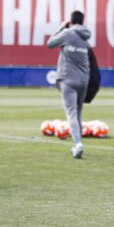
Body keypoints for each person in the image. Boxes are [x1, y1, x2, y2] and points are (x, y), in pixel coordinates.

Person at [46, 10, 92, 159]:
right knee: (77, 112)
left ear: (71, 21)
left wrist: (61, 27)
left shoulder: (68, 34)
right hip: (83, 80)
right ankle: (77, 142)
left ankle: (78, 144)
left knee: (71, 112)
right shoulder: (85, 38)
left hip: (68, 79)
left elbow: (50, 44)